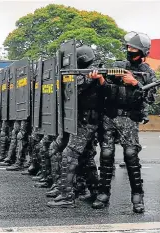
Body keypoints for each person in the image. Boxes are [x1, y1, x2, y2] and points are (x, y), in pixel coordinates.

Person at [90, 32, 157, 213]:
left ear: (142, 52)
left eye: (133, 48)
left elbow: (151, 98)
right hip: (110, 116)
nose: (129, 50)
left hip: (129, 118)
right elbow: (106, 91)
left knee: (130, 155)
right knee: (106, 154)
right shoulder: (118, 66)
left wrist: (135, 83)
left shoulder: (148, 73)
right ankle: (103, 194)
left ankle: (137, 197)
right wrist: (101, 80)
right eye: (128, 47)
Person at [47, 45, 102, 208]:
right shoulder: (87, 71)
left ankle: (67, 196)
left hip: (87, 121)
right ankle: (94, 191)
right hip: (79, 121)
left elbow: (74, 85)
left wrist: (67, 76)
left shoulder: (92, 71)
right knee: (85, 158)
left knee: (68, 155)